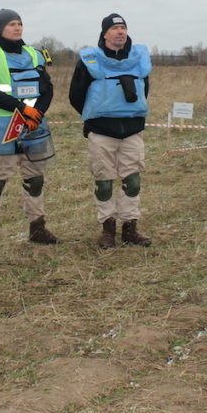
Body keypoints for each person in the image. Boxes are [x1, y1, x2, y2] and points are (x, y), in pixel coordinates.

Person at [0, 9, 58, 253]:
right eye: (12, 24)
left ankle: (37, 227)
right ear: (0, 28)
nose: (17, 28)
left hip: (34, 125)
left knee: (35, 177)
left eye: (20, 23)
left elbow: (47, 89)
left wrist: (37, 113)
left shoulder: (34, 54)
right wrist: (22, 109)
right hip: (3, 126)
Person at [68, 13, 153, 248]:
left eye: (123, 27)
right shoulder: (90, 60)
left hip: (132, 132)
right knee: (104, 182)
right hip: (101, 132)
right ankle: (107, 229)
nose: (120, 32)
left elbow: (144, 90)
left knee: (133, 181)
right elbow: (76, 95)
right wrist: (98, 117)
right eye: (114, 28)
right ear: (104, 33)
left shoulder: (138, 60)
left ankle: (130, 228)